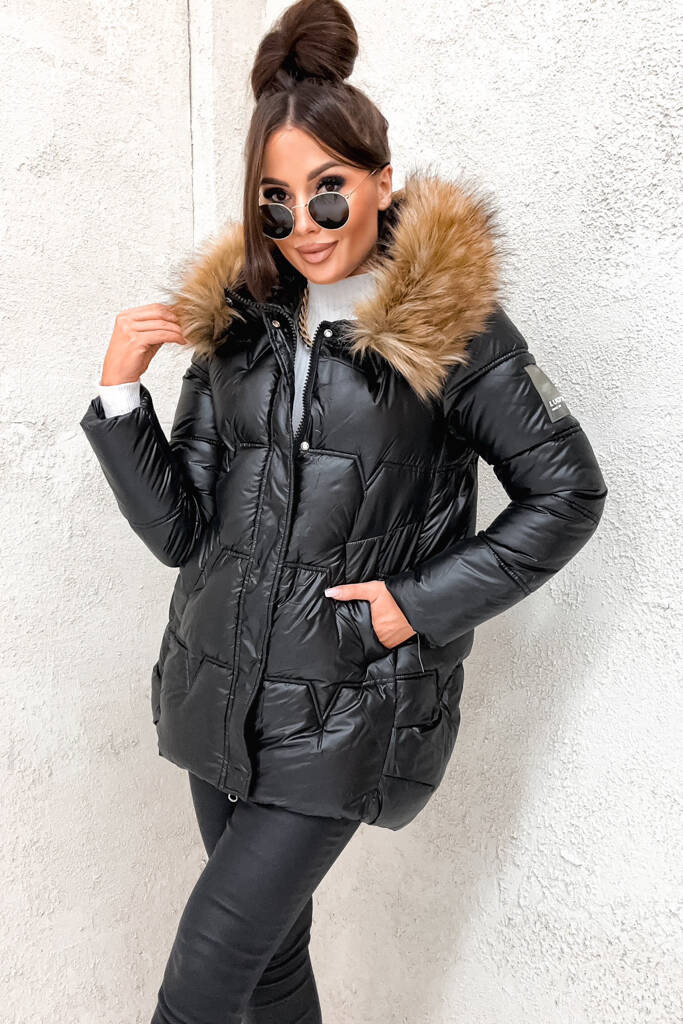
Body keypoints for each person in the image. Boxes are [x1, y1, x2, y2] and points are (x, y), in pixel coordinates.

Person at [79, 1, 609, 1021]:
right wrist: (117, 395)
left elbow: (566, 491)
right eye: (274, 202)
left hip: (346, 706)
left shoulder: (446, 322)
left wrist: (408, 607)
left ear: (380, 181)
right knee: (272, 967)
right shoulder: (238, 325)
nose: (304, 225)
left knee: (201, 984)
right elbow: (180, 531)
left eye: (327, 190)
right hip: (216, 688)